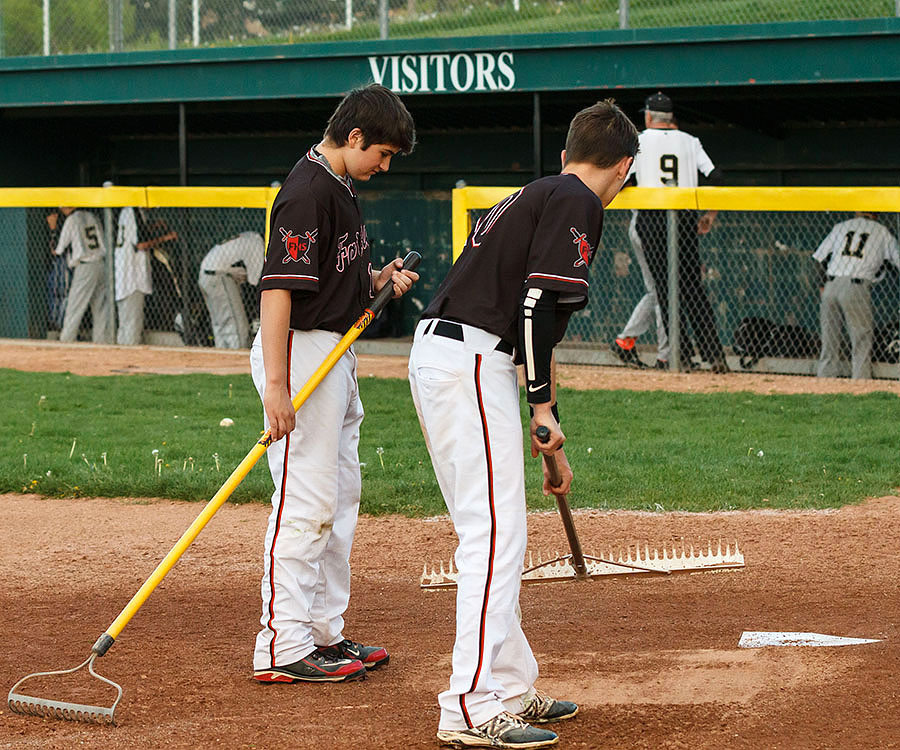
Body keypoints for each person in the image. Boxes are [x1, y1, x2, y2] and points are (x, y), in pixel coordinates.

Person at [408, 99, 638, 749]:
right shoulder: (579, 201)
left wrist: (548, 434)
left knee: (494, 528)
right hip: (470, 360)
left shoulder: (544, 190)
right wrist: (538, 409)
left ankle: (508, 687)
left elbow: (537, 327)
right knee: (493, 536)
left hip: (462, 357)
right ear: (622, 167)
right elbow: (537, 306)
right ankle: (470, 707)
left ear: (567, 155)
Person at [250, 84, 418, 685]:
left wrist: (375, 279)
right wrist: (276, 387)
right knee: (306, 502)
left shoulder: (341, 185)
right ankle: (282, 643)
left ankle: (323, 632)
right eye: (383, 153)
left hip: (336, 354)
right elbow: (278, 291)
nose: (385, 165)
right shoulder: (305, 190)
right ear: (354, 137)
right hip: (302, 356)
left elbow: (331, 275)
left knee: (340, 501)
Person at [610, 91, 728, 373]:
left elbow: (623, 180)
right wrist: (710, 214)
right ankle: (715, 357)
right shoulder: (690, 140)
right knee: (693, 290)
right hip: (685, 218)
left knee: (665, 292)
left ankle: (681, 357)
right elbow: (716, 178)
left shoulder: (638, 140)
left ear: (649, 116)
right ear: (671, 117)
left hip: (652, 220)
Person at [813, 211, 900, 379]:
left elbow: (819, 258)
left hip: (831, 284)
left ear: (856, 212)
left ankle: (824, 382)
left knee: (829, 341)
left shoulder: (841, 227)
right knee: (861, 339)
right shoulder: (881, 231)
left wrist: (821, 285)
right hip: (856, 286)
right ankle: (860, 385)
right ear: (875, 213)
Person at [53, 206, 110, 343]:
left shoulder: (72, 219)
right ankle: (101, 343)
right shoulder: (92, 216)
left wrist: (53, 229)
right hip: (102, 264)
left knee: (74, 306)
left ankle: (66, 341)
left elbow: (58, 249)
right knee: (101, 309)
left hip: (85, 266)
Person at [198, 231, 265, 348]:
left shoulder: (249, 236)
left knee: (220, 325)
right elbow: (254, 281)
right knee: (237, 326)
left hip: (205, 276)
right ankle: (237, 358)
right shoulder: (257, 242)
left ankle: (222, 358)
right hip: (220, 276)